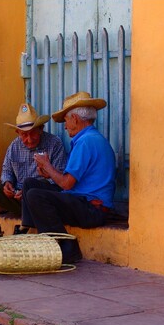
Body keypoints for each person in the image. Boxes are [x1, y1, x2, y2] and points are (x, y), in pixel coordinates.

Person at [22, 91, 116, 263]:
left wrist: (48, 166)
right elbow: (70, 183)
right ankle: (30, 231)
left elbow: (66, 184)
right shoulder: (89, 139)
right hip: (82, 201)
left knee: (35, 195)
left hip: (92, 209)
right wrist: (47, 171)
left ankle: (68, 247)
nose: (65, 126)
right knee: (30, 184)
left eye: (65, 120)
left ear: (75, 119)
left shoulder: (86, 142)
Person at [0, 103, 67, 249]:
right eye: (24, 134)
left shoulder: (54, 144)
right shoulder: (14, 146)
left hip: (41, 200)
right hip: (18, 199)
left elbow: (60, 180)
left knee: (30, 184)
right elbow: (6, 170)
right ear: (17, 133)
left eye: (33, 133)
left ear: (41, 129)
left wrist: (31, 189)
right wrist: (7, 183)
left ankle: (23, 230)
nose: (29, 139)